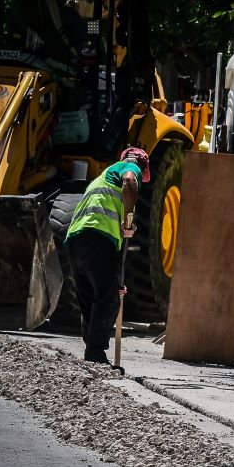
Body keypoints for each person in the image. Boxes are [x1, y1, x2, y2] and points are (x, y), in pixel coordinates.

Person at [65, 146, 149, 364]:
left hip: (75, 239)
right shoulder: (130, 167)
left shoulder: (101, 178)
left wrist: (117, 281)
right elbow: (130, 182)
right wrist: (129, 220)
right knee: (107, 298)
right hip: (98, 236)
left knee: (91, 298)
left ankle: (91, 355)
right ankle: (95, 354)